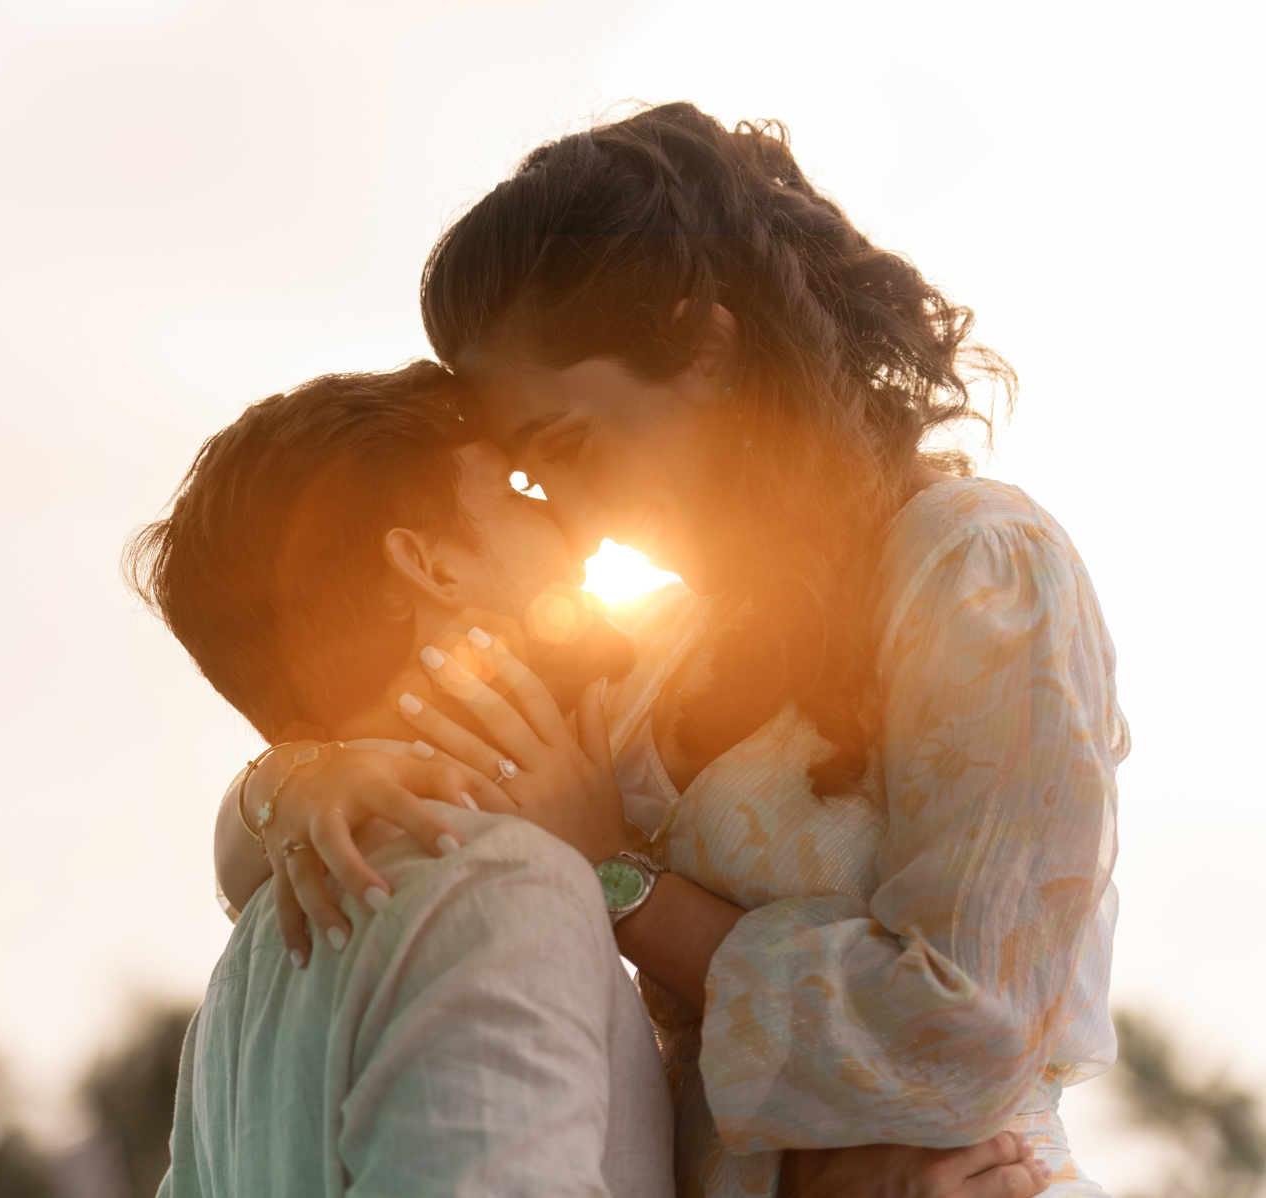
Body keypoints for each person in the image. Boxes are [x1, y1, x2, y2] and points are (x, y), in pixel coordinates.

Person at [217, 103, 1123, 1196]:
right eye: (533, 481)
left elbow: (968, 1030)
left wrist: (620, 879)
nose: (577, 518)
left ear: (705, 345)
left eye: (572, 446)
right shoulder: (648, 657)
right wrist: (297, 775)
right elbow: (350, 818)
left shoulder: (977, 568)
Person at [135, 364, 1050, 1197]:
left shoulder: (243, 978)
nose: (572, 523)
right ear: (431, 566)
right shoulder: (499, 890)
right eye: (522, 489)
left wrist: (279, 779)